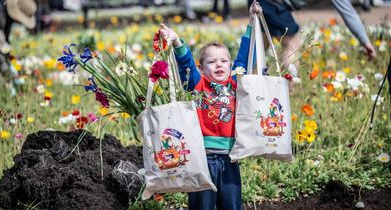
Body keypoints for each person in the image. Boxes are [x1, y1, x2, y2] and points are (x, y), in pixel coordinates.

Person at [158, 1, 262, 209]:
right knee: (201, 206)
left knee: (232, 204)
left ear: (230, 65)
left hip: (229, 159)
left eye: (224, 61)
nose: (219, 65)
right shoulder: (198, 84)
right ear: (202, 68)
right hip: (202, 160)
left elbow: (245, 54)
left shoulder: (235, 82)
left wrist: (252, 21)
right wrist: (177, 41)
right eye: (212, 62)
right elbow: (186, 63)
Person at [247, 0, 376, 70]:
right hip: (270, 4)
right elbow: (348, 12)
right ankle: (290, 88)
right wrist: (365, 42)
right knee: (293, 44)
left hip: (265, 4)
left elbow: (348, 12)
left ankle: (246, 82)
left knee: (259, 45)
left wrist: (365, 41)